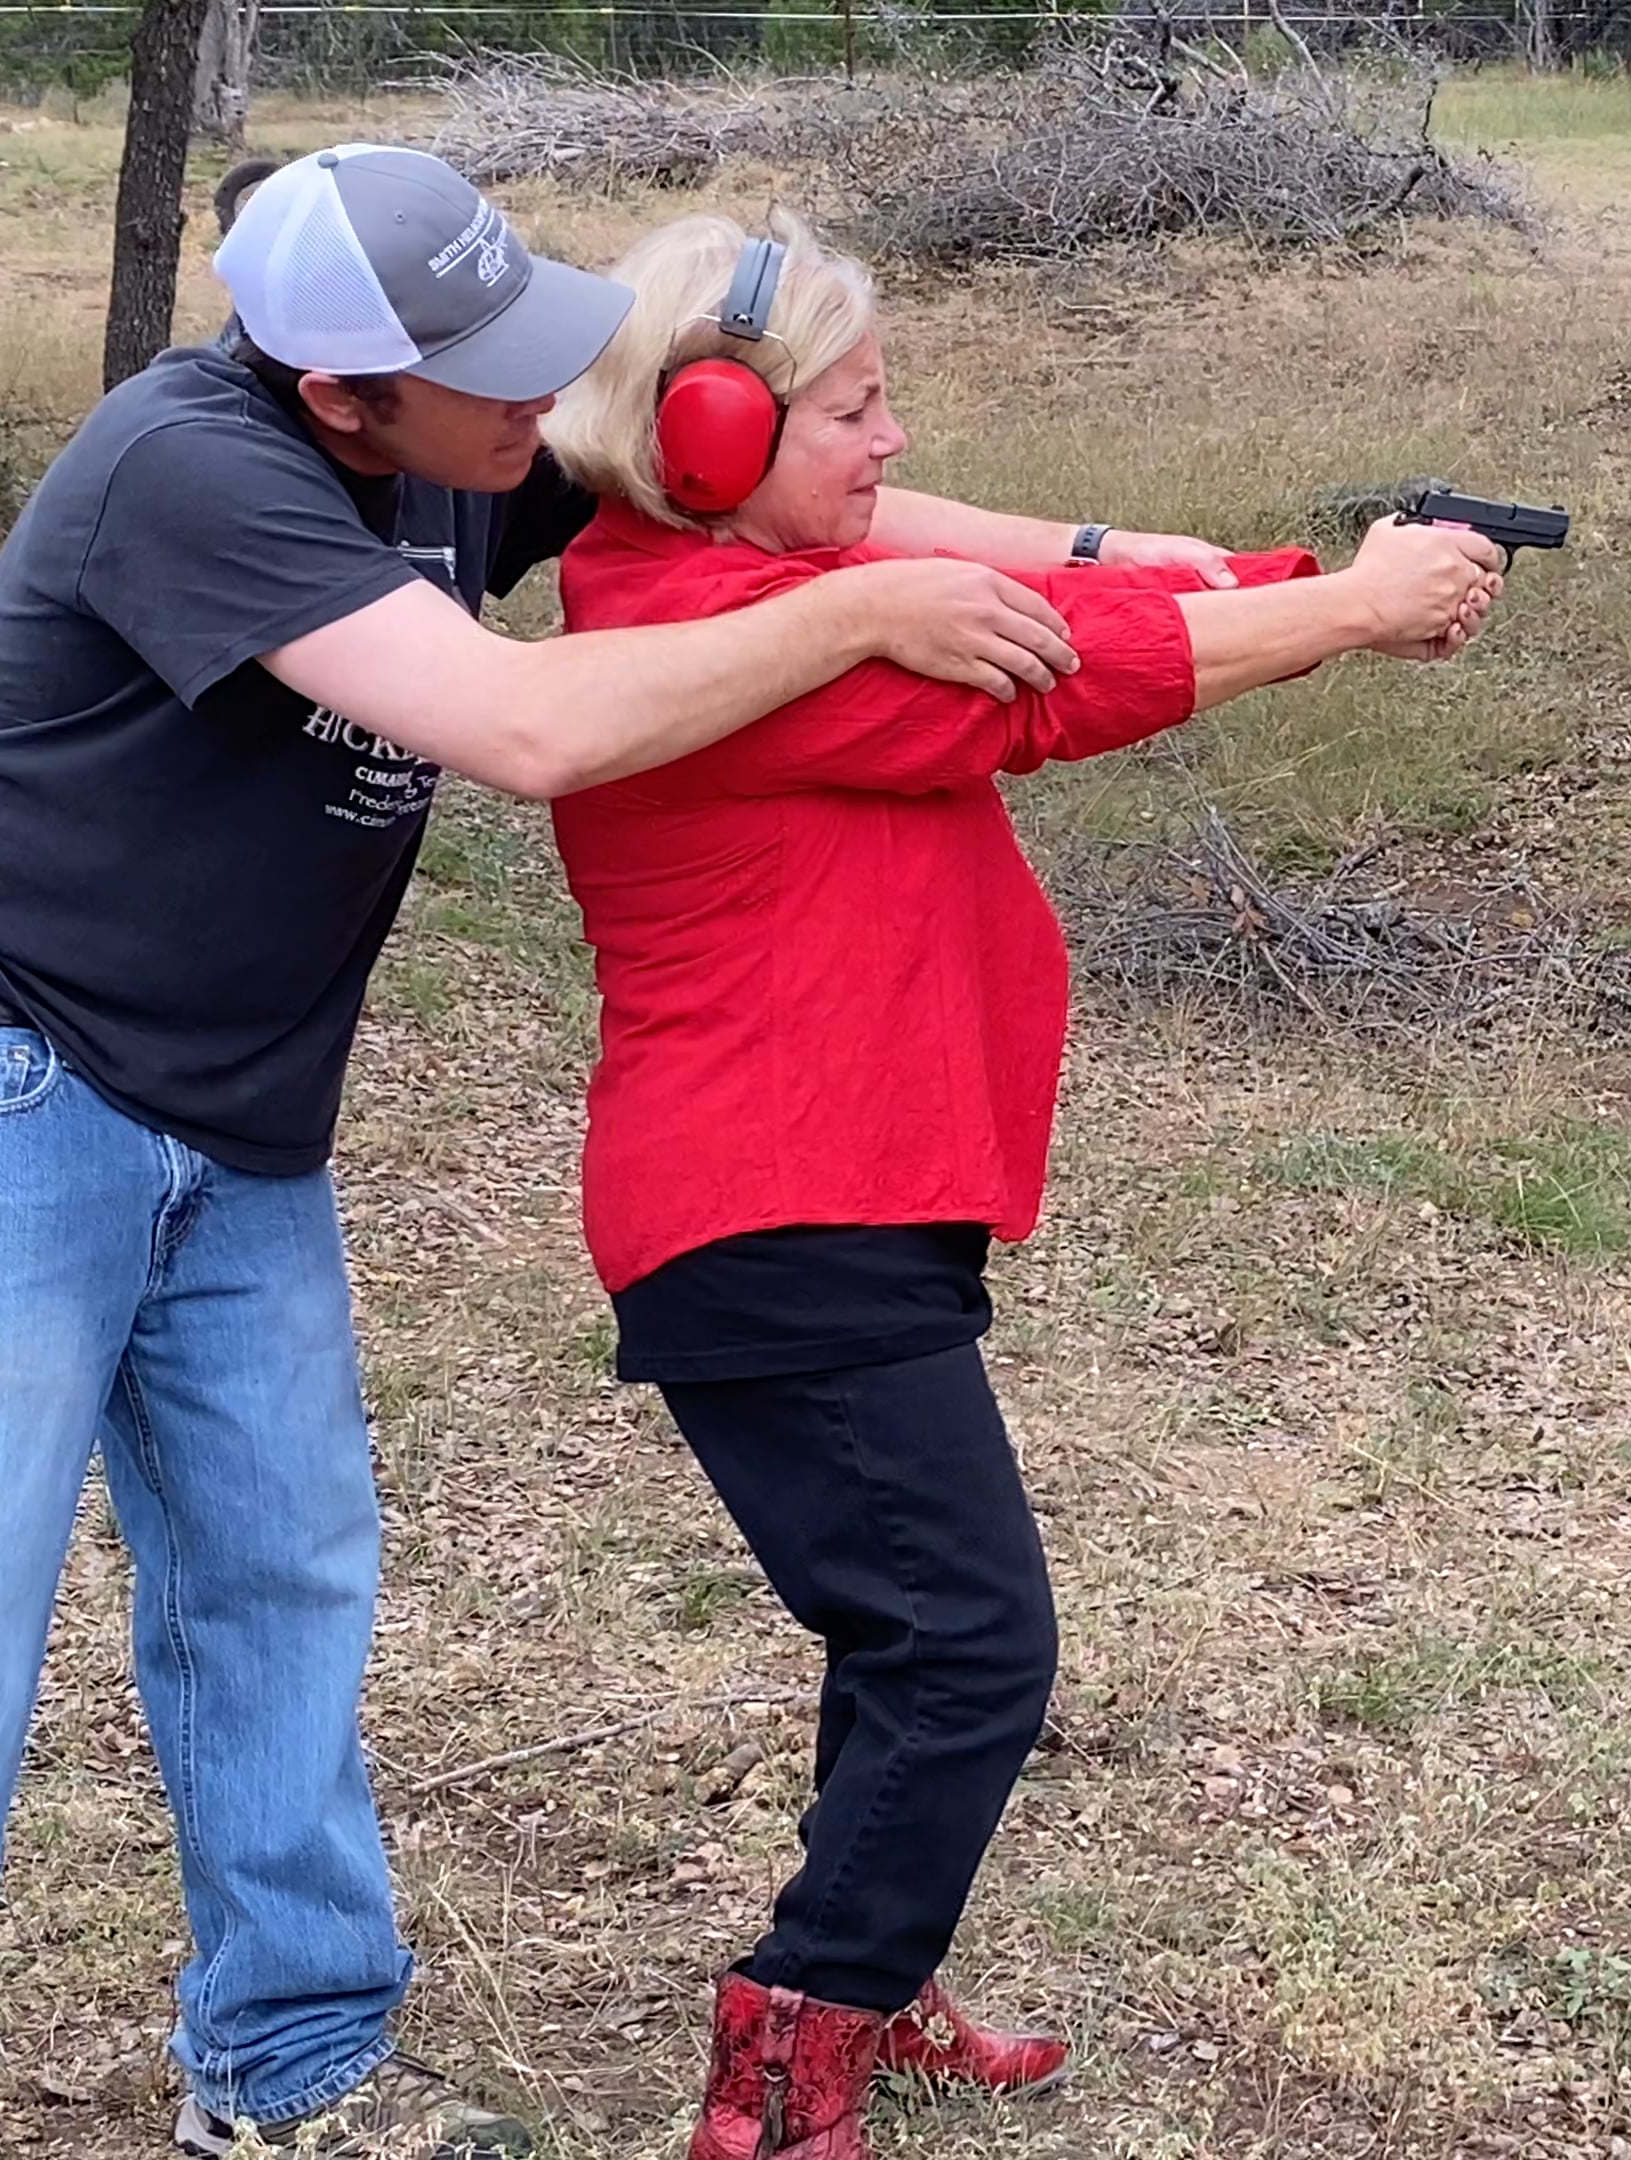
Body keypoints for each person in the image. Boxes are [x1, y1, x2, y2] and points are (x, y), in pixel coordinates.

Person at [0, 145, 1241, 2160]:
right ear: (341, 393)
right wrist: (864, 625)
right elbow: (529, 727)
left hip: (232, 1120)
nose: (536, 418)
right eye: (490, 381)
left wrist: (1096, 549)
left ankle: (294, 2069)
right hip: (4, 1090)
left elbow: (719, 474)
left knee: (281, 1590)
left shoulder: (449, 437)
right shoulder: (197, 473)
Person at [529, 209, 1504, 2160]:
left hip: (842, 1193)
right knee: (974, 1647)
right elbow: (1058, 686)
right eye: (859, 409)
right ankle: (788, 2054)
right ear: (712, 435)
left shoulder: (758, 564)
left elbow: (1078, 601)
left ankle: (863, 1994)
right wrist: (1347, 614)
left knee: (902, 1633)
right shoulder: (703, 639)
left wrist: (1307, 582)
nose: (893, 447)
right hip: (772, 1213)